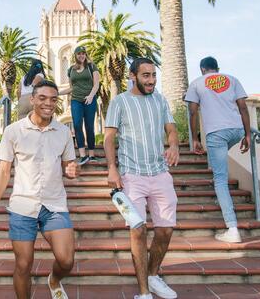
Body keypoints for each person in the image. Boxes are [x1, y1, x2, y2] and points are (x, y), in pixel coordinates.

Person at [0, 80, 79, 299]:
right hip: (22, 206)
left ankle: (54, 279)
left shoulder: (63, 132)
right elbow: (3, 172)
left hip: (54, 204)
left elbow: (68, 164)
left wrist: (71, 169)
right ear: (32, 99)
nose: (48, 103)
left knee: (66, 260)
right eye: (42, 98)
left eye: (53, 99)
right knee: (23, 265)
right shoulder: (14, 131)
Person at [104, 58, 179, 299]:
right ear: (133, 75)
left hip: (160, 174)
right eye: (146, 75)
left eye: (154, 75)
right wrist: (112, 169)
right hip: (131, 175)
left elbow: (171, 129)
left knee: (165, 230)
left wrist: (174, 145)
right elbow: (108, 138)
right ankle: (144, 292)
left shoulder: (161, 100)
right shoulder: (119, 102)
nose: (151, 80)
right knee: (137, 229)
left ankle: (154, 275)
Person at [184, 56, 251, 243]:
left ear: (202, 70)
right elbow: (243, 107)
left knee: (220, 180)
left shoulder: (197, 83)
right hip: (236, 130)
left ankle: (232, 228)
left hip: (216, 133)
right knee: (217, 163)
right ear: (217, 68)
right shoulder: (232, 79)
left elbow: (192, 111)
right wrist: (247, 134)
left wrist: (195, 138)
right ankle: (222, 199)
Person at [59, 46, 100, 166]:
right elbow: (71, 87)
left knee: (89, 126)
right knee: (77, 125)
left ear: (85, 55)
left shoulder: (92, 66)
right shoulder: (71, 69)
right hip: (76, 100)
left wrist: (91, 96)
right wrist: (56, 92)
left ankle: (91, 154)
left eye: (83, 53)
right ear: (75, 56)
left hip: (89, 100)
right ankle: (83, 155)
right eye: (79, 54)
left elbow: (96, 84)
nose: (81, 56)